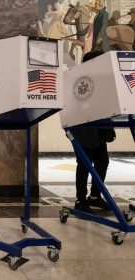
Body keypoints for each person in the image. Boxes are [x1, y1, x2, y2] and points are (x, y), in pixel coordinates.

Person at [72, 50, 115, 214]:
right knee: (84, 164)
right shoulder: (80, 80)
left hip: (99, 129)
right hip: (83, 129)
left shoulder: (102, 79)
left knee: (102, 162)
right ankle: (80, 200)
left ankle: (95, 196)